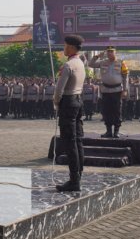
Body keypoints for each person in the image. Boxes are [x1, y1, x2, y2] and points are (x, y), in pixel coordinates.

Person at [53, 34, 86, 192]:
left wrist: (56, 102)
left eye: (65, 46)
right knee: (77, 140)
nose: (64, 48)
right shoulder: (80, 62)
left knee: (69, 141)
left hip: (68, 102)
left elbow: (59, 89)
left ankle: (74, 180)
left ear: (72, 47)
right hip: (78, 101)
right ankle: (78, 173)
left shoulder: (68, 65)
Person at [88, 46, 129, 138]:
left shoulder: (121, 63)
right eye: (108, 52)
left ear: (115, 52)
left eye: (111, 51)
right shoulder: (103, 62)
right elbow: (90, 64)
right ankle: (108, 131)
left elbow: (125, 77)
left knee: (117, 111)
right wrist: (97, 56)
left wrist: (125, 90)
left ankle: (116, 131)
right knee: (106, 111)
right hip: (105, 90)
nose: (109, 53)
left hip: (117, 90)